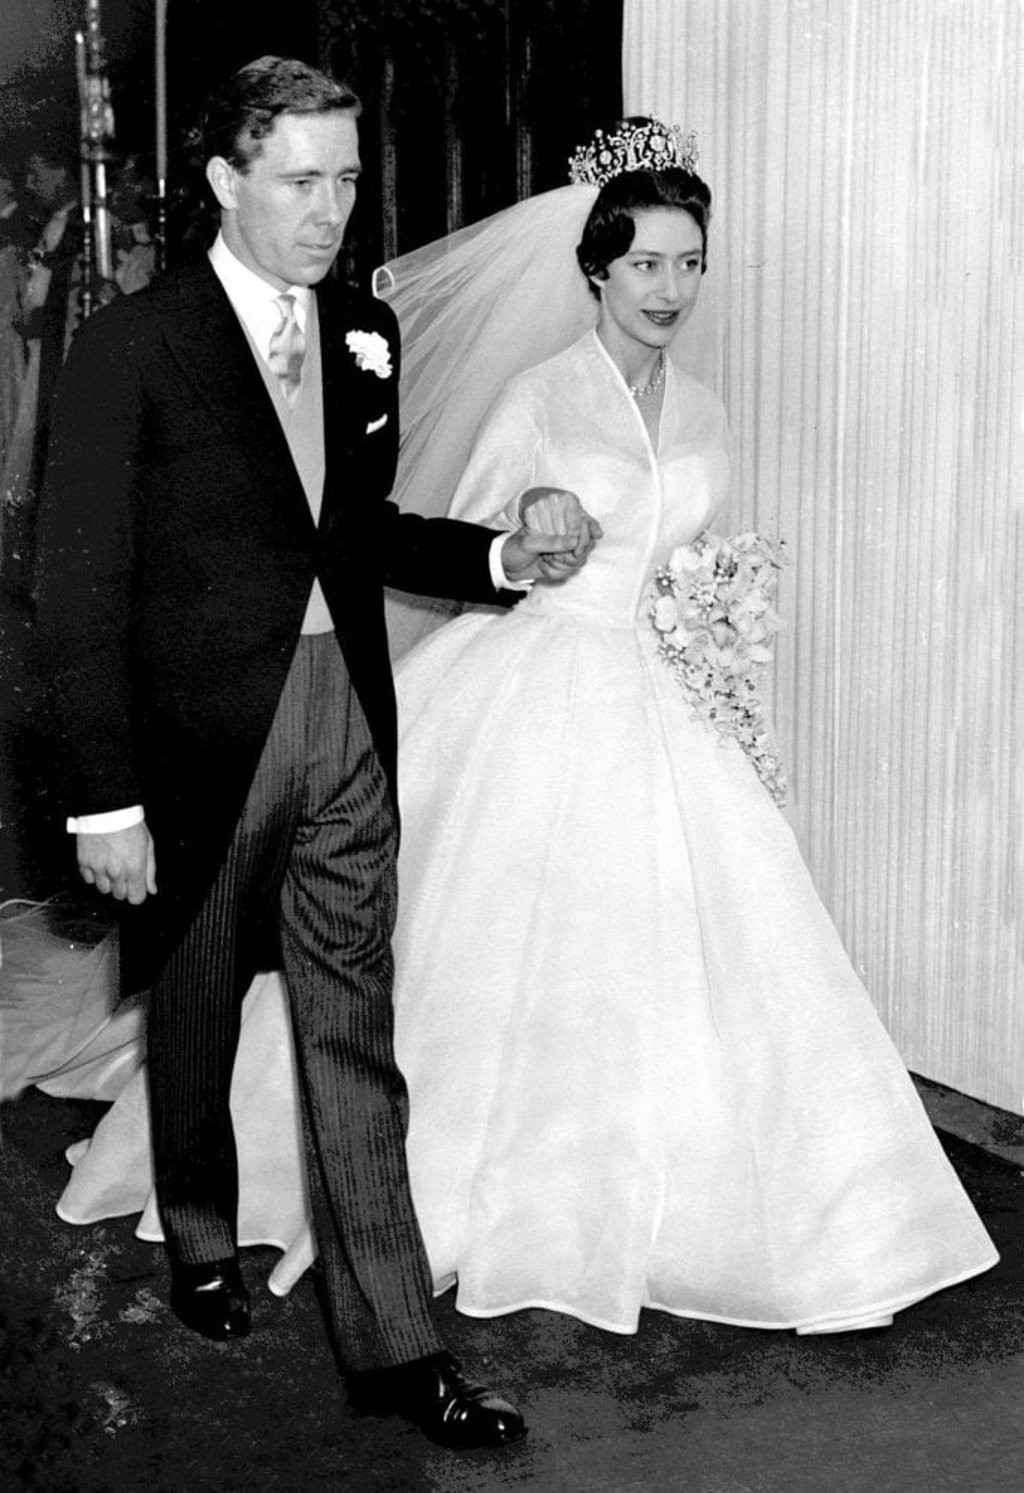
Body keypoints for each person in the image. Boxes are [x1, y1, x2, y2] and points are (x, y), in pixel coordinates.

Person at [45, 119, 997, 1340]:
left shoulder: (705, 410)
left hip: (660, 701)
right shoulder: (538, 395)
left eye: (689, 263)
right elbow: (453, 537)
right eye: (644, 263)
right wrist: (522, 536)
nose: (668, 288)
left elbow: (685, 554)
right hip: (537, 691)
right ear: (595, 270)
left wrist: (712, 620)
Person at [32, 55, 598, 1451]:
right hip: (193, 739)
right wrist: (103, 800)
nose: (331, 208)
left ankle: (400, 1345)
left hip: (345, 712)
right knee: (197, 996)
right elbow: (77, 587)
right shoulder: (130, 344)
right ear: (226, 180)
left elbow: (358, 531)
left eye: (345, 178)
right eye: (300, 179)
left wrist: (497, 558)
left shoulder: (364, 332)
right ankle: (201, 1230)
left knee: (354, 1030)